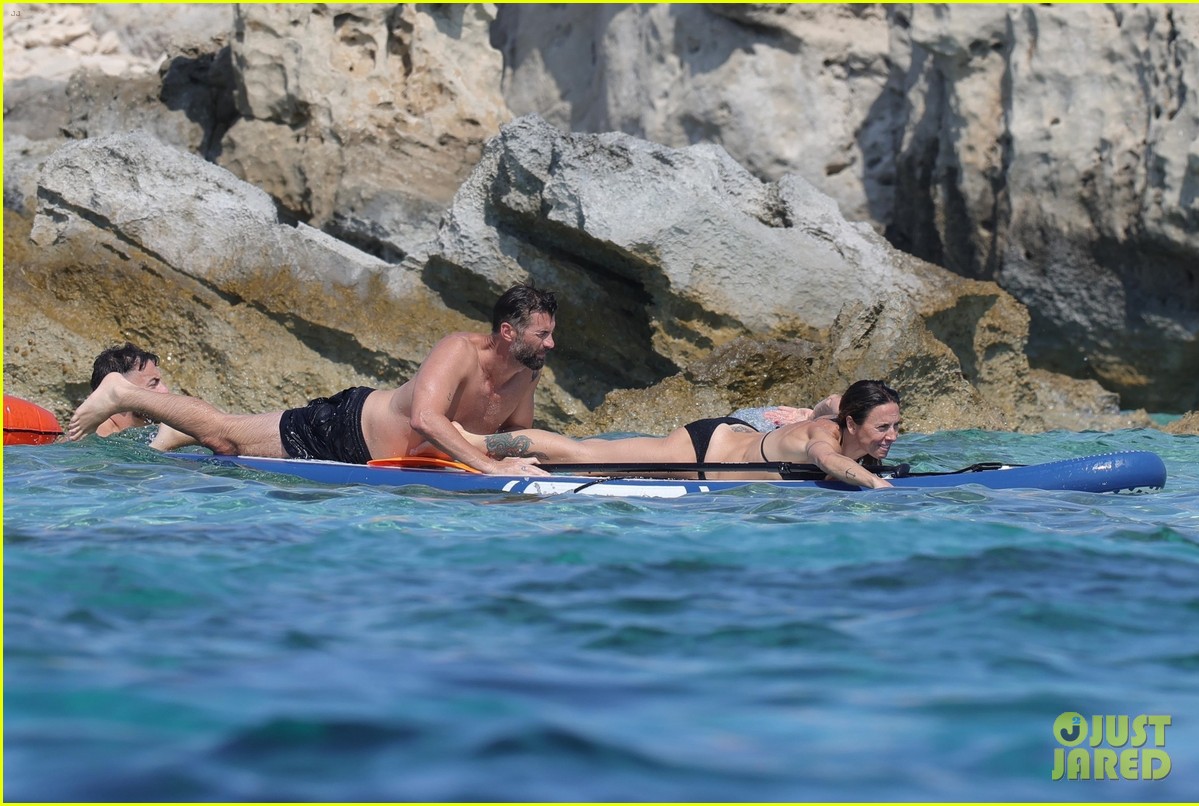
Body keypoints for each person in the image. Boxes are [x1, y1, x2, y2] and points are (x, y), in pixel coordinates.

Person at [68, 284, 558, 476]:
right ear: (508, 332)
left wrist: (520, 461)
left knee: (226, 437)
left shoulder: (525, 375)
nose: (551, 344)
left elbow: (513, 436)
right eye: (542, 334)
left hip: (389, 457)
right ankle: (123, 394)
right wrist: (490, 469)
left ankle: (176, 430)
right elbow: (426, 419)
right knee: (224, 438)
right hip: (344, 430)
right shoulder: (458, 350)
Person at [451, 380, 902, 489]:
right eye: (883, 427)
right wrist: (880, 487)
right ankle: (472, 441)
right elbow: (827, 459)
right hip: (704, 450)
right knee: (586, 456)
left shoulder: (844, 419)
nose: (893, 436)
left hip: (751, 430)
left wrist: (813, 408)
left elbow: (835, 402)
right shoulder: (825, 439)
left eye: (897, 425)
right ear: (850, 424)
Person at [87, 342, 196, 450]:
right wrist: (161, 446)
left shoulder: (137, 436)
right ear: (117, 392)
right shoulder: (96, 443)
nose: (165, 390)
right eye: (153, 384)